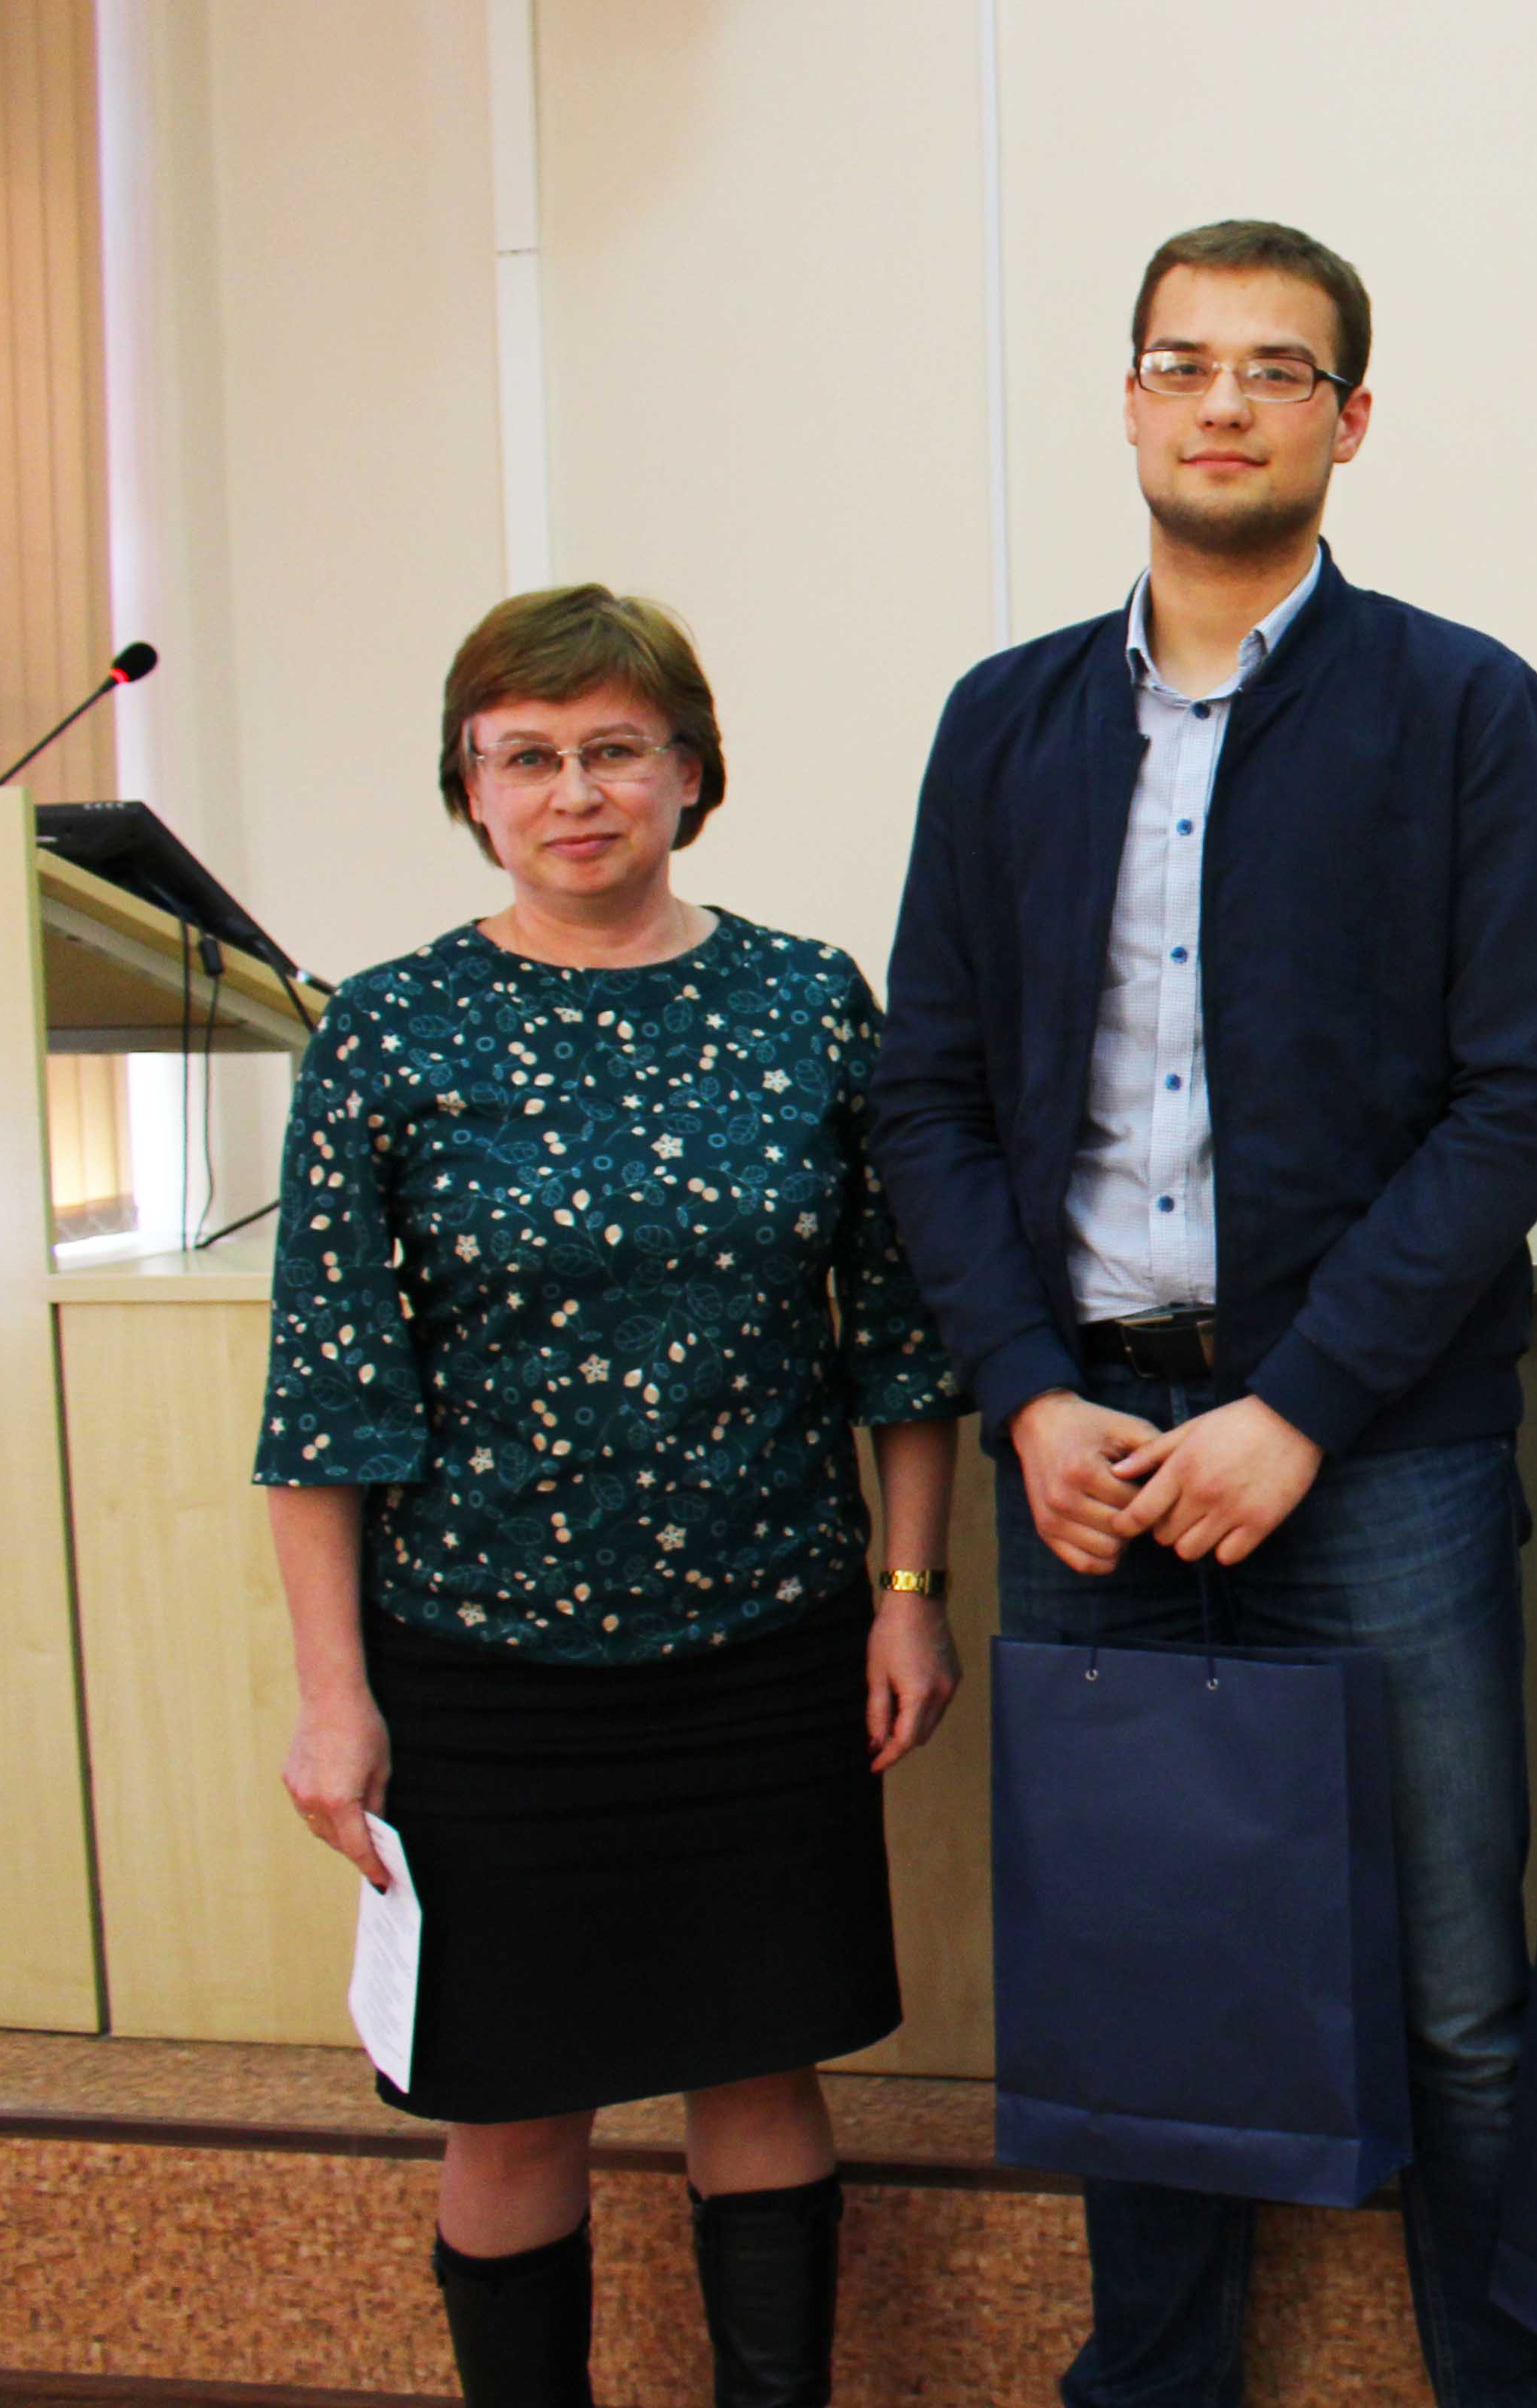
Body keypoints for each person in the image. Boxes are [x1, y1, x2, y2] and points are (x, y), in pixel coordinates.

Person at [870, 219, 1537, 2408]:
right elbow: (929, 1097)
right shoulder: (1004, 722)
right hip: (1088, 1454)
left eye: (1277, 370)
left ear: (1349, 423)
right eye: (1183, 363)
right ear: (1127, 401)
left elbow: (1518, 1099)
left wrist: (1300, 1405)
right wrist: (1021, 1395)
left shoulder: (1461, 708)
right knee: (1141, 1987)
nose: (1223, 404)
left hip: (1377, 1464)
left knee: (1462, 2003)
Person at [258, 584, 965, 2408]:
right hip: (483, 1668)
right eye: (525, 758)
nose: (574, 792)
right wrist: (335, 1697)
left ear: (691, 773)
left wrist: (910, 1595)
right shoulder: (389, 1030)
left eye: (614, 750)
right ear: (471, 791)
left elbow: (899, 1340)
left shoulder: (808, 1002)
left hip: (766, 1644)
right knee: (509, 2107)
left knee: (761, 2069)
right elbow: (328, 1399)